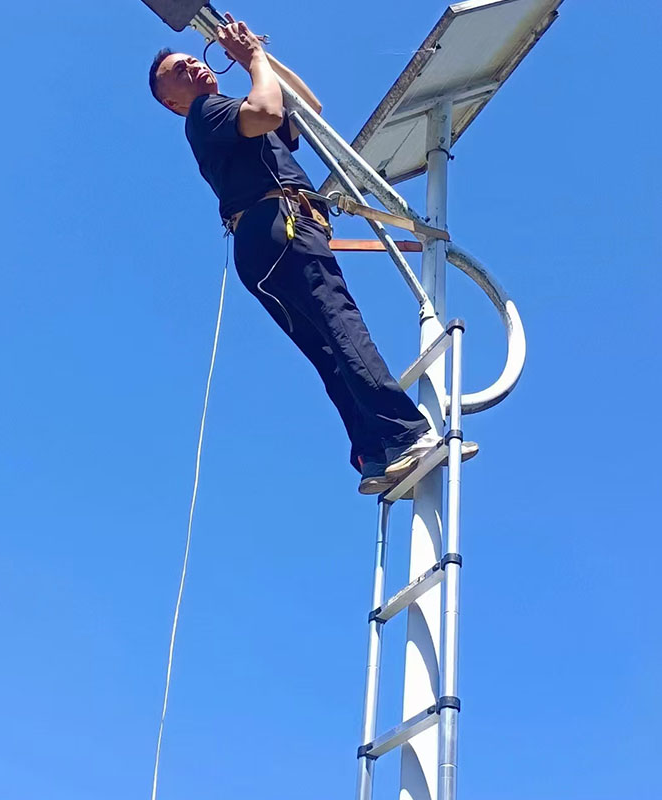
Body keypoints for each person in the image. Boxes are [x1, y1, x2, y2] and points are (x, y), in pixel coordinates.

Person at [148, 14, 443, 494]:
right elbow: (267, 112)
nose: (193, 68)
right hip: (281, 226)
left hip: (261, 244)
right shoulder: (207, 113)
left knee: (329, 350)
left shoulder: (230, 118)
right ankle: (407, 435)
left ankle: (374, 452)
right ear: (172, 103)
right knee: (340, 323)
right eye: (179, 71)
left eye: (191, 62)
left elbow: (306, 107)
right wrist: (252, 60)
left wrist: (257, 56)